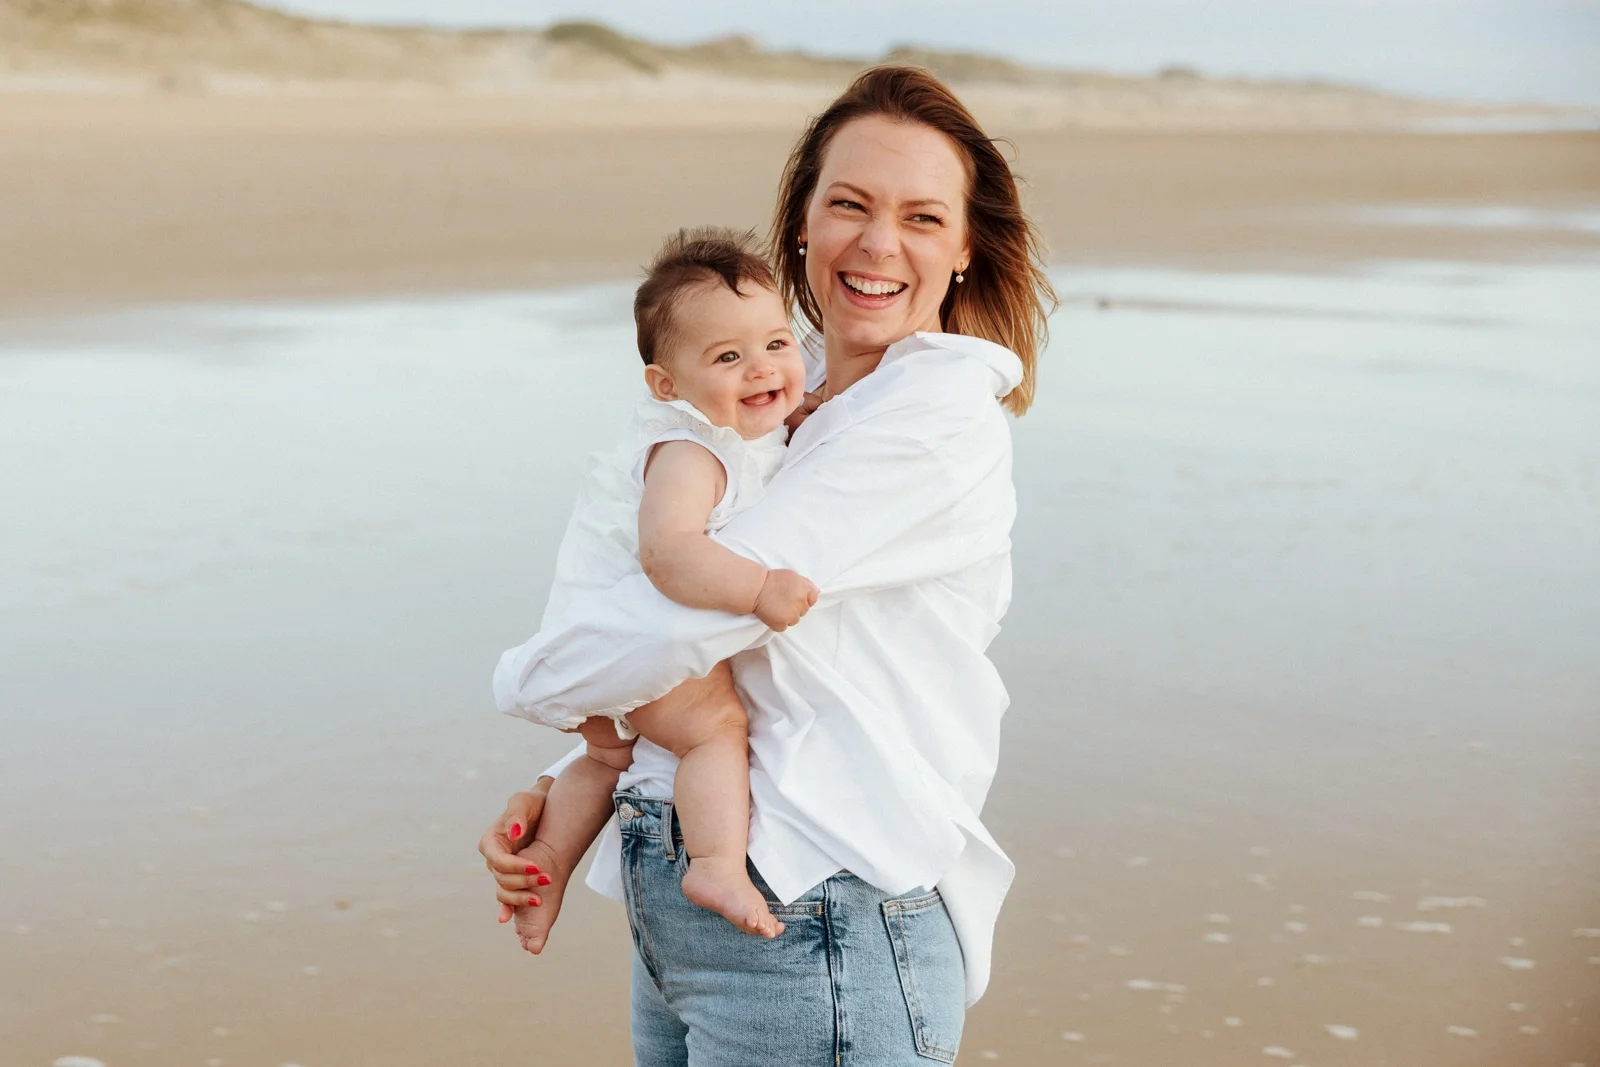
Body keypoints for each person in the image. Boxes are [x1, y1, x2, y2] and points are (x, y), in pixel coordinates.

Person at [483, 65, 1056, 1066]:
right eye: (849, 204)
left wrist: (533, 686)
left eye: (922, 217)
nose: (878, 243)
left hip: (819, 914)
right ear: (801, 223)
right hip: (694, 908)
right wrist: (571, 772)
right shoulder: (781, 398)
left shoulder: (933, 419)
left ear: (965, 248)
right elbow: (713, 653)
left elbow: (679, 620)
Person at [504, 227, 819, 951]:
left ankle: (546, 862)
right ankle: (714, 864)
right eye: (728, 357)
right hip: (627, 646)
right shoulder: (688, 449)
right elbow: (668, 553)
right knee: (716, 729)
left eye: (777, 344)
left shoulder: (725, 428)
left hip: (595, 647)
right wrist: (758, 586)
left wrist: (790, 411)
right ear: (666, 385)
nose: (763, 369)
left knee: (605, 758)